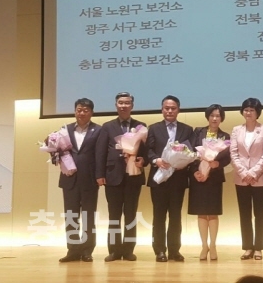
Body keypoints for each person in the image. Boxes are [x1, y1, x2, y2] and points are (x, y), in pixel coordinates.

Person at [95, 92, 147, 262]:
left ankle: (129, 249)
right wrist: (100, 174)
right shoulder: (107, 126)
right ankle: (114, 250)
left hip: (134, 176)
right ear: (116, 105)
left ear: (132, 105)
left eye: (127, 103)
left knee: (131, 214)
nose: (124, 106)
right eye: (121, 103)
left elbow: (145, 151)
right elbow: (101, 152)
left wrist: (143, 160)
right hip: (113, 176)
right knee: (114, 215)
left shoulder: (141, 126)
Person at [146, 95, 194, 262]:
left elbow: (190, 151)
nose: (170, 111)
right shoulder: (153, 128)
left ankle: (174, 250)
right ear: (162, 109)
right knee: (158, 216)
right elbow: (148, 150)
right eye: (167, 108)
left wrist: (183, 162)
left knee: (175, 215)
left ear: (178, 110)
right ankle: (159, 250)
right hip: (159, 178)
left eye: (173, 108)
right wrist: (156, 160)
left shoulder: (187, 129)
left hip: (178, 178)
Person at [58, 98, 102, 263]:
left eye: (85, 110)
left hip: (89, 179)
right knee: (71, 216)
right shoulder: (65, 130)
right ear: (75, 111)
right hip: (69, 179)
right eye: (79, 110)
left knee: (88, 217)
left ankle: (87, 250)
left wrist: (99, 176)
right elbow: (58, 151)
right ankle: (73, 250)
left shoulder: (98, 130)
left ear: (91, 112)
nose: (82, 113)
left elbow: (100, 155)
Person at [230, 97, 263, 261]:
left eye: (252, 110)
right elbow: (233, 153)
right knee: (244, 213)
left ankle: (259, 247)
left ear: (257, 112)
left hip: (260, 177)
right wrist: (243, 172)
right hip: (241, 178)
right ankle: (248, 247)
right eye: (246, 110)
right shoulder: (236, 130)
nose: (248, 113)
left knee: (260, 214)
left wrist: (253, 173)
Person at [188, 104, 231, 261]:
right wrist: (196, 172)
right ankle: (204, 246)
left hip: (214, 179)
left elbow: (227, 158)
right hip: (198, 178)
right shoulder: (198, 132)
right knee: (201, 212)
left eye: (218, 116)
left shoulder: (225, 136)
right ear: (207, 117)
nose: (214, 118)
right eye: (212, 115)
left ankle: (213, 245)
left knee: (212, 212)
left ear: (221, 118)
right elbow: (190, 153)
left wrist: (217, 164)